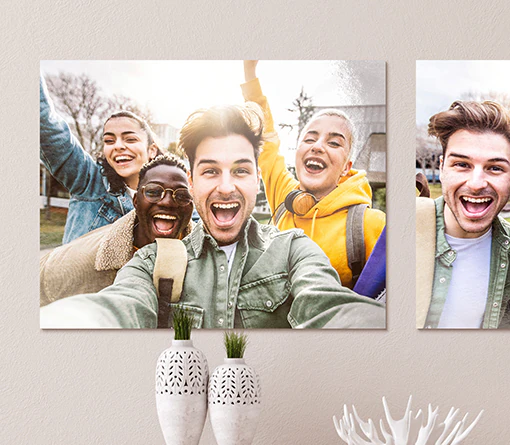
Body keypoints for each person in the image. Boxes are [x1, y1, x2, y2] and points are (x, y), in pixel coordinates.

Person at [40, 104, 385, 329]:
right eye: (209, 171)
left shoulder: (296, 250)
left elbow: (329, 306)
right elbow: (119, 307)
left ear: (257, 180)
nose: (225, 187)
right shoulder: (152, 262)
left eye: (240, 170)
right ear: (191, 181)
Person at [240, 61, 386, 289]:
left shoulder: (371, 224)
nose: (317, 146)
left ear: (347, 167)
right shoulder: (284, 198)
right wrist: (250, 73)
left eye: (334, 142)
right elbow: (266, 138)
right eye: (309, 139)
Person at [418, 101, 510, 329]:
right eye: (462, 164)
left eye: (495, 168)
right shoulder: (403, 228)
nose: (476, 184)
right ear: (443, 167)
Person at [40, 154, 195, 306]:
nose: (168, 202)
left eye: (182, 195)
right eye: (153, 192)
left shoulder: (209, 258)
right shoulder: (74, 263)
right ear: (135, 201)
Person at [40, 76, 163, 244]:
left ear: (151, 150)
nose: (118, 146)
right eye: (109, 141)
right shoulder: (88, 181)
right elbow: (47, 125)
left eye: (130, 139)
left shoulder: (174, 198)